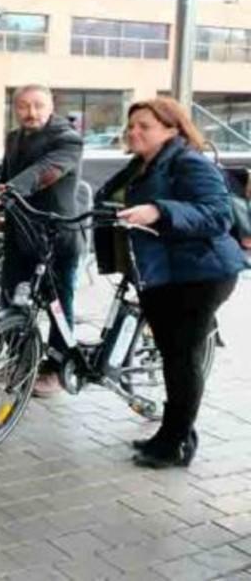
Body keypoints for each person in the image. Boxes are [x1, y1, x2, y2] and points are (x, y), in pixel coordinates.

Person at [94, 97, 243, 468]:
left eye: (145, 126)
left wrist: (160, 210)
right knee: (172, 357)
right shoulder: (139, 166)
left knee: (182, 359)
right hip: (162, 273)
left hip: (201, 273)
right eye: (131, 126)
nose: (134, 132)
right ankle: (173, 433)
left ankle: (175, 444)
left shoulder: (188, 161)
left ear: (172, 129)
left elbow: (218, 214)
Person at [0, 84, 83, 398]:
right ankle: (20, 359)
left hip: (55, 235)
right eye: (23, 106)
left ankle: (57, 369)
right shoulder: (14, 137)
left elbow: (43, 172)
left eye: (38, 105)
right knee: (11, 298)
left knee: (58, 305)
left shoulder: (68, 139)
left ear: (51, 107)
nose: (30, 112)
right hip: (19, 234)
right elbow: (6, 176)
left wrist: (4, 193)